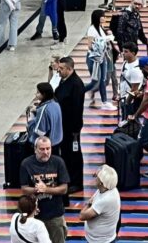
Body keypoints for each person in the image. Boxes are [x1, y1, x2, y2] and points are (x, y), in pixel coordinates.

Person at [19, 136, 70, 243]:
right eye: (42, 149)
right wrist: (37, 189)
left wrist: (45, 189)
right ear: (35, 149)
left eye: (48, 148)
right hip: (34, 215)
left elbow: (64, 189)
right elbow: (24, 189)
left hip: (55, 215)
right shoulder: (26, 164)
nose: (46, 152)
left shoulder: (58, 162)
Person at [50, 57, 86, 194]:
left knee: (74, 154)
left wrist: (75, 131)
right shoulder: (64, 81)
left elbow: (77, 109)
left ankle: (77, 182)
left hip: (72, 128)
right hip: (63, 126)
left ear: (70, 69)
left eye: (61, 69)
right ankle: (68, 178)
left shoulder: (76, 85)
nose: (59, 71)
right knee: (66, 153)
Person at [81, 10, 116, 110]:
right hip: (94, 59)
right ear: (97, 17)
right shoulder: (92, 29)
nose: (104, 18)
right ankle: (79, 91)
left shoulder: (100, 28)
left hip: (102, 57)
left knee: (103, 80)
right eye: (102, 16)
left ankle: (104, 101)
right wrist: (104, 40)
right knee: (95, 81)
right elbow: (90, 45)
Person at [78, 165, 121, 243]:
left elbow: (82, 216)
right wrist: (100, 171)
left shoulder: (105, 200)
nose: (95, 177)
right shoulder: (110, 188)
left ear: (101, 183)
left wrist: (88, 204)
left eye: (97, 177)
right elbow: (105, 167)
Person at [118, 41, 144, 121]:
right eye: (123, 51)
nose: (123, 53)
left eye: (126, 51)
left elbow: (134, 89)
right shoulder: (125, 62)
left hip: (130, 101)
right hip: (123, 97)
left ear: (133, 53)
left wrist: (126, 102)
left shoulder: (135, 69)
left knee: (129, 123)